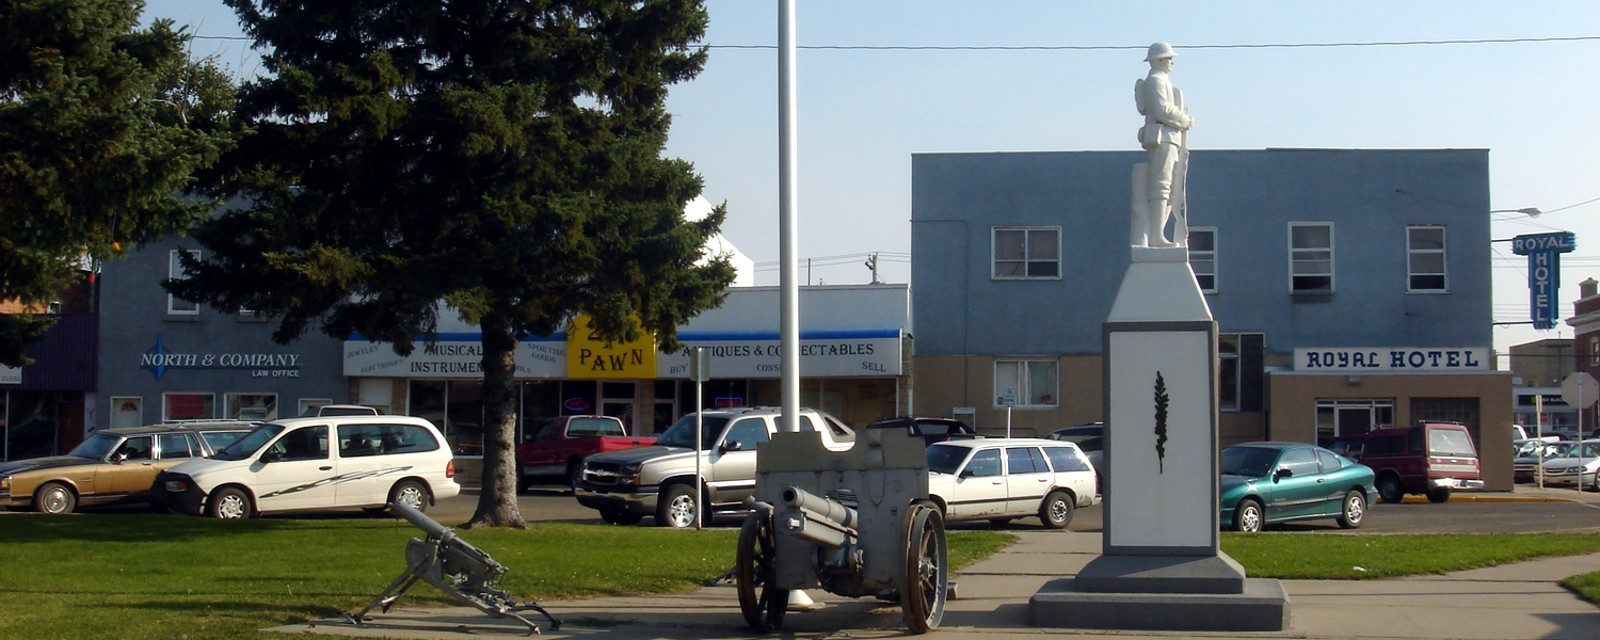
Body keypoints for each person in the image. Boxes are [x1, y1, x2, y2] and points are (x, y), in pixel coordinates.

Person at [1134, 41, 1194, 248]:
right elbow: (1162, 111)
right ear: (1158, 60)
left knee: (1170, 188)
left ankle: (1159, 233)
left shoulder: (1164, 81)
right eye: (1168, 58)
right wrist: (1184, 120)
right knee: (1161, 186)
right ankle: (1156, 235)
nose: (1171, 62)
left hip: (1172, 137)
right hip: (1162, 136)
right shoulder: (1156, 81)